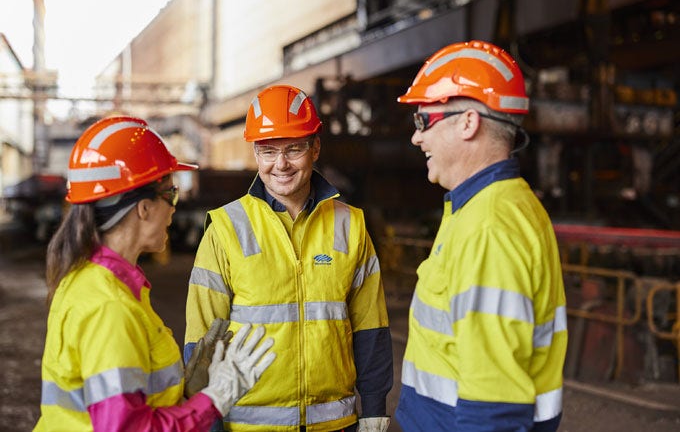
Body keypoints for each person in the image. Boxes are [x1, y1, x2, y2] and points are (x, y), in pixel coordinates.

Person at [34, 116, 276, 432]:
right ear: (143, 208)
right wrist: (214, 400)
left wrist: (187, 391)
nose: (174, 208)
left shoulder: (90, 279)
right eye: (170, 193)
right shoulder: (110, 306)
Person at [184, 85, 393, 432]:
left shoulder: (350, 224)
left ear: (315, 148)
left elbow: (371, 329)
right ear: (255, 153)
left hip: (334, 423)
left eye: (293, 149)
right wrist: (208, 423)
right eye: (268, 151)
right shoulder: (225, 229)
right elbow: (202, 341)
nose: (280, 164)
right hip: (248, 427)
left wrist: (373, 409)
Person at [394, 40, 568, 431]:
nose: (416, 138)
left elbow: (495, 403)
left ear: (468, 122)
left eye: (424, 121)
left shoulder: (488, 227)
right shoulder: (487, 207)